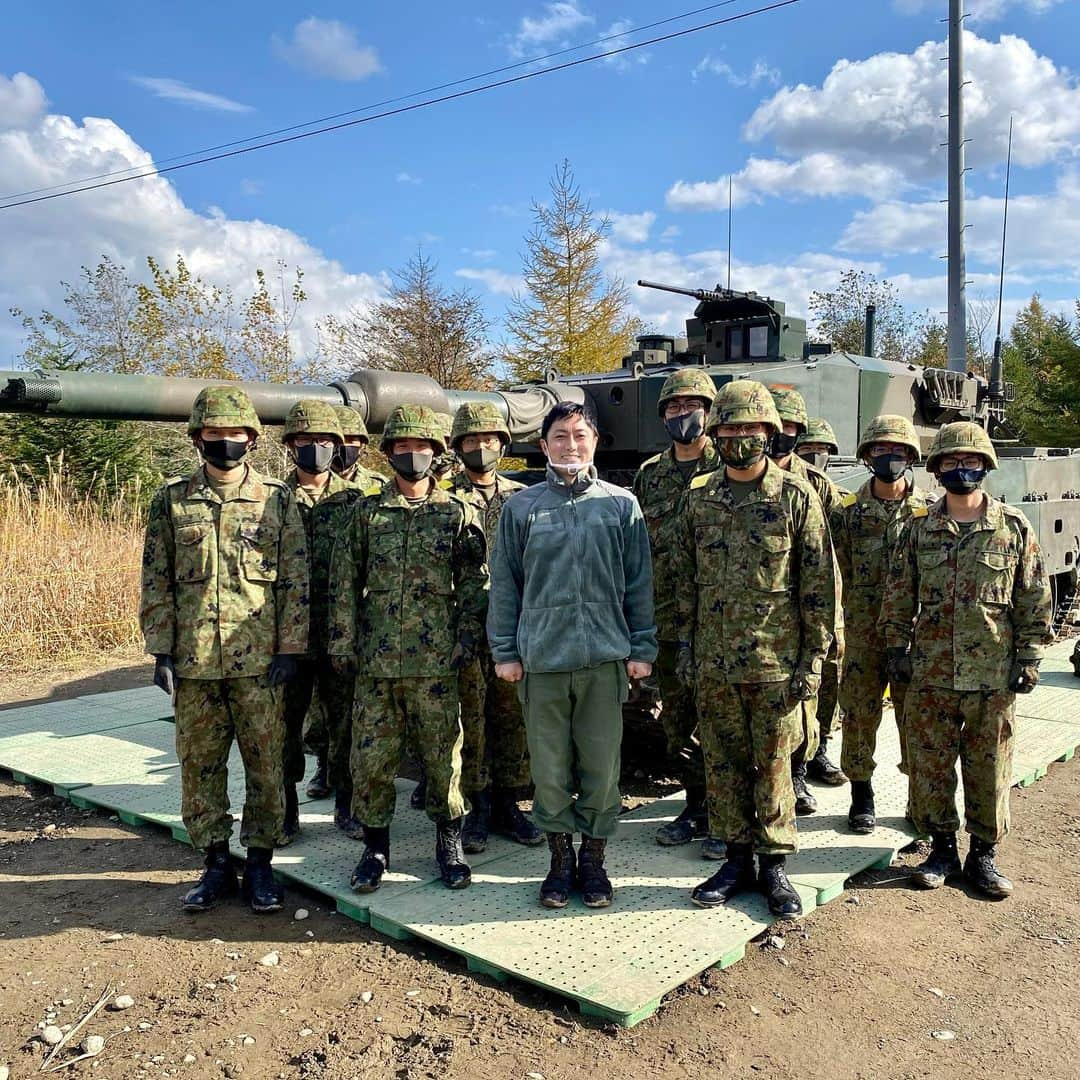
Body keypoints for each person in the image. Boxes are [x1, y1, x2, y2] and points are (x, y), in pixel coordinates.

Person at [672, 380, 838, 920]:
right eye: (731, 428)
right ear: (716, 434)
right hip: (716, 662)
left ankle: (774, 866)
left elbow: (818, 589)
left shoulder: (796, 497)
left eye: (751, 428)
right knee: (721, 764)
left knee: (773, 766)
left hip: (776, 663)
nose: (740, 437)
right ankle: (735, 859)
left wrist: (813, 661)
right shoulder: (698, 498)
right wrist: (686, 650)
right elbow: (683, 583)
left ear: (769, 433)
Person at [140, 386, 308, 914]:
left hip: (258, 663)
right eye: (214, 434)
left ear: (252, 439)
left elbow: (295, 580)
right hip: (195, 663)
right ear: (198, 439)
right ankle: (215, 861)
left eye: (235, 434)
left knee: (266, 764)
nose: (225, 443)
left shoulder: (277, 499)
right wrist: (161, 650)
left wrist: (290, 649)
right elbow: (156, 578)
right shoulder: (170, 500)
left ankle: (260, 861)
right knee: (199, 766)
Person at [488, 401, 656, 910]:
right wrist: (506, 651)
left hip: (604, 660)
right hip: (542, 662)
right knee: (550, 770)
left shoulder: (620, 505)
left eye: (580, 435)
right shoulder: (521, 509)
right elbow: (505, 586)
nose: (571, 445)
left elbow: (639, 583)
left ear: (595, 441)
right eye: (560, 436)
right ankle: (559, 861)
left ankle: (594, 862)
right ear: (544, 446)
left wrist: (641, 646)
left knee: (603, 770)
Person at [880, 421, 1052, 898]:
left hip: (992, 675)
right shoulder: (918, 529)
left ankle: (982, 854)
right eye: (951, 462)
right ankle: (940, 848)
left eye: (970, 461)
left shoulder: (1013, 527)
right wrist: (896, 649)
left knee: (989, 766)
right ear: (936, 470)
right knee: (931, 765)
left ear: (986, 466)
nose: (962, 470)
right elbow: (898, 596)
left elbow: (1034, 597)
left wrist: (1030, 657)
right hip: (930, 673)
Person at [328, 404, 488, 893]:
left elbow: (475, 583)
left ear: (437, 453)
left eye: (421, 447)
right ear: (390, 453)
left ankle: (449, 844)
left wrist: (467, 637)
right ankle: (375, 849)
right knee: (372, 761)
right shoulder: (367, 513)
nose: (411, 454)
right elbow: (344, 582)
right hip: (377, 664)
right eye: (401, 447)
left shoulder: (457, 514)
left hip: (438, 663)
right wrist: (343, 642)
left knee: (443, 759)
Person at [632, 369, 723, 856]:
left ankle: (728, 813)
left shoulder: (730, 464)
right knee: (680, 723)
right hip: (668, 620)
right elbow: (638, 551)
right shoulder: (651, 474)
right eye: (672, 408)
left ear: (710, 411)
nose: (682, 415)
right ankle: (697, 804)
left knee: (723, 721)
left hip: (721, 621)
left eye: (692, 407)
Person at [446, 401, 543, 853]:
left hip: (515, 626)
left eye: (488, 440)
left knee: (513, 719)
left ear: (502, 445)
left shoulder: (523, 498)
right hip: (465, 628)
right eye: (470, 441)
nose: (480, 448)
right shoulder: (444, 499)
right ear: (457, 447)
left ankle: (510, 803)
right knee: (472, 721)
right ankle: (477, 806)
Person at [832, 415, 934, 834]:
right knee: (858, 715)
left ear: (910, 457)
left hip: (915, 636)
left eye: (897, 452)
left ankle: (919, 799)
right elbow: (837, 571)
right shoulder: (848, 514)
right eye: (879, 451)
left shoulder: (929, 513)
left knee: (916, 718)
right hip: (863, 634)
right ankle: (862, 795)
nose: (889, 458)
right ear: (867, 457)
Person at [768, 386, 844, 814]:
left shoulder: (816, 483)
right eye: (778, 426)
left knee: (814, 692)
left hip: (813, 604)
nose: (784, 434)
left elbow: (838, 547)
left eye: (792, 427)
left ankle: (803, 767)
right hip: (769, 612)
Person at [303, 402, 382, 801]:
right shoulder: (279, 495)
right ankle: (320, 766)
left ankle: (346, 791)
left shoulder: (366, 493)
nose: (344, 449)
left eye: (353, 442)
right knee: (306, 711)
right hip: (297, 623)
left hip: (346, 618)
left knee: (346, 711)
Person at [276, 401, 344, 841]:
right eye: (305, 441)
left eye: (323, 441)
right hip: (287, 638)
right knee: (284, 727)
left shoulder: (355, 501)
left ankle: (349, 803)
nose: (314, 448)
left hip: (339, 634)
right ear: (290, 446)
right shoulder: (269, 498)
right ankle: (285, 809)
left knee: (347, 726)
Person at [796, 415, 847, 787]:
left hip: (824, 597)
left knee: (827, 673)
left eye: (821, 452)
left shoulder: (822, 487)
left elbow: (840, 546)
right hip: (780, 601)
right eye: (807, 450)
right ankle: (795, 763)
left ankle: (821, 747)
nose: (814, 458)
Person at [330, 404, 383, 487]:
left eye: (351, 440)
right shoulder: (310, 482)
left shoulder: (378, 484)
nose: (344, 445)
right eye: (338, 440)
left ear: (362, 446)